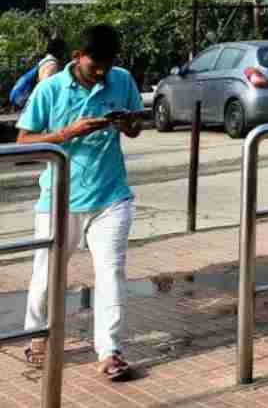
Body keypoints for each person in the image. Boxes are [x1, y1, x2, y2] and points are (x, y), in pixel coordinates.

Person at [16, 24, 142, 381]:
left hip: (111, 196)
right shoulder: (49, 89)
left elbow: (136, 128)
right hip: (59, 198)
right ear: (76, 58)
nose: (101, 72)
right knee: (47, 275)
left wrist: (128, 125)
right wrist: (68, 133)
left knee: (111, 271)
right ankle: (37, 336)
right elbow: (24, 140)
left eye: (107, 64)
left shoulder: (122, 80)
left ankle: (110, 351)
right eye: (94, 66)